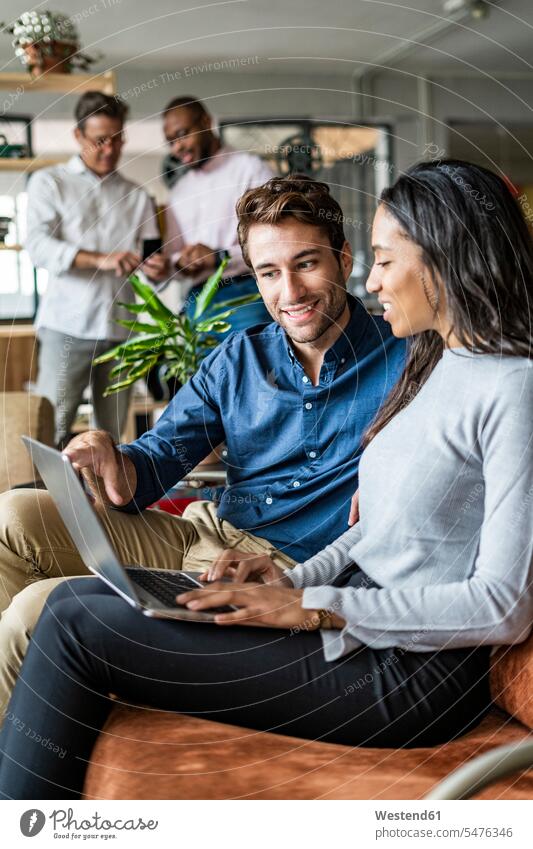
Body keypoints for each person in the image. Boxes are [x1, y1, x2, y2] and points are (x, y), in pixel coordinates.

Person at [1, 159, 532, 799]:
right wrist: (292, 585)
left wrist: (310, 604)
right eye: (267, 273)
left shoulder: (476, 375)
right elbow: (377, 532)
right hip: (313, 591)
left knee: (65, 620)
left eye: (382, 261)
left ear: (443, 258)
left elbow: (502, 604)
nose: (374, 279)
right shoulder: (436, 362)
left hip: (406, 668)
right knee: (55, 585)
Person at [0, 176, 406, 721]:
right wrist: (114, 461)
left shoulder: (408, 357)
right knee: (14, 514)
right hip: (203, 533)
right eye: (268, 272)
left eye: (307, 263)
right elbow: (158, 457)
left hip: (276, 574)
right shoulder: (237, 357)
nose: (290, 292)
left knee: (36, 608)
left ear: (345, 257)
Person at [26, 91, 169, 447]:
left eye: (117, 139)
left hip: (120, 330)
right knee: (51, 428)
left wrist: (155, 268)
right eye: (100, 140)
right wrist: (101, 258)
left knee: (111, 437)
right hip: (65, 326)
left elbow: (152, 265)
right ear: (78, 136)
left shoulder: (137, 196)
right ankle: (39, 504)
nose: (110, 149)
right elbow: (39, 248)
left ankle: (104, 505)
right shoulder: (50, 182)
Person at [162, 95, 273, 330]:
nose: (177, 147)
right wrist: (179, 262)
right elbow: (173, 254)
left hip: (246, 294)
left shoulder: (250, 170)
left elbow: (275, 241)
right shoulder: (179, 193)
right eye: (171, 141)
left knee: (255, 365)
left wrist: (218, 257)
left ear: (205, 122)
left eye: (182, 134)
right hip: (197, 300)